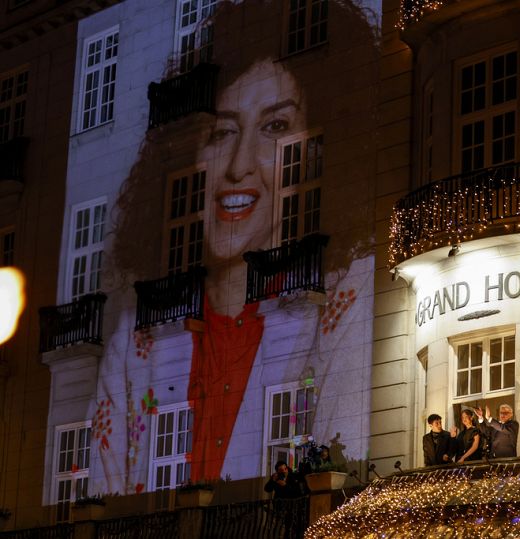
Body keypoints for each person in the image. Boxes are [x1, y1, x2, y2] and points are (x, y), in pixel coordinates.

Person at [91, 0, 380, 495]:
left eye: (274, 128)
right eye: (224, 132)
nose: (239, 166)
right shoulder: (128, 348)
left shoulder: (349, 300)